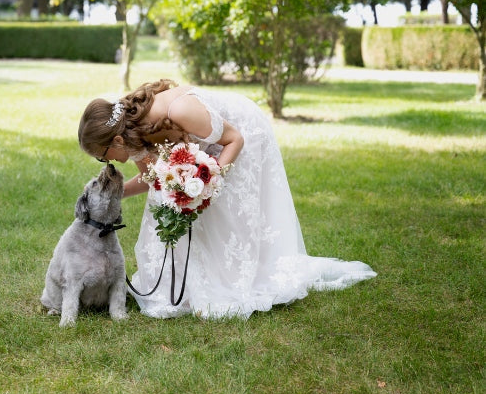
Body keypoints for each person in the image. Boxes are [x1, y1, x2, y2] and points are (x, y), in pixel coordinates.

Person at [78, 79, 376, 319]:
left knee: (221, 208)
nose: (105, 164)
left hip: (239, 132)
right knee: (166, 200)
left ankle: (232, 278)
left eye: (101, 157)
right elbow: (154, 180)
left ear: (115, 141)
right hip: (203, 147)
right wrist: (102, 198)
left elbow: (235, 140)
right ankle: (184, 284)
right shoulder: (133, 137)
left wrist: (205, 180)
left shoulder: (179, 111)